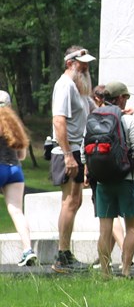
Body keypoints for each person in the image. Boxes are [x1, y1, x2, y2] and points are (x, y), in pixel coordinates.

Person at [89, 82, 134, 278]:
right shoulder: (129, 121)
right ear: (120, 98)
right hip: (127, 180)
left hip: (103, 182)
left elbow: (83, 154)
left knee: (105, 230)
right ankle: (126, 270)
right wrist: (127, 165)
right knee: (131, 227)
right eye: (126, 97)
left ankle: (105, 272)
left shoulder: (92, 120)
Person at [50, 46, 95, 273]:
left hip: (77, 150)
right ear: (70, 63)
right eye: (82, 63)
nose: (86, 67)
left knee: (75, 202)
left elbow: (93, 110)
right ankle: (62, 256)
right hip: (67, 151)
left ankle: (65, 254)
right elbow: (59, 121)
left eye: (87, 63)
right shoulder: (64, 85)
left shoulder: (79, 87)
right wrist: (68, 155)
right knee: (69, 202)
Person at [0, 90, 38, 266]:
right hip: (15, 170)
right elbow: (22, 154)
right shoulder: (15, 124)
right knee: (16, 210)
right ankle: (27, 250)